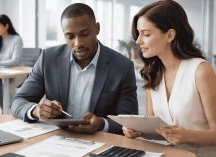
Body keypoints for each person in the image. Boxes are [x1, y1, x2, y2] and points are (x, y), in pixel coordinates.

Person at [11, 3, 138, 135]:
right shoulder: (48, 59)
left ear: (97, 28)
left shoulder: (122, 66)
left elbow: (130, 121)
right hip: (56, 138)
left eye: (84, 34)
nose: (78, 43)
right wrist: (36, 110)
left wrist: (102, 124)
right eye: (70, 37)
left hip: (99, 142)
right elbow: (18, 101)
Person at [123, 0, 216, 156]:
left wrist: (187, 135)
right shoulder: (151, 73)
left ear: (170, 35)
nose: (138, 41)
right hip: (164, 153)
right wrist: (138, 131)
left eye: (146, 34)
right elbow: (154, 131)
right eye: (138, 34)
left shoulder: (200, 71)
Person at [0, 14, 26, 113]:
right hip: (4, 72)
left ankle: (16, 109)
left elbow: (15, 61)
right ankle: (4, 110)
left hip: (18, 72)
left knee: (8, 87)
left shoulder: (16, 39)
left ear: (6, 26)